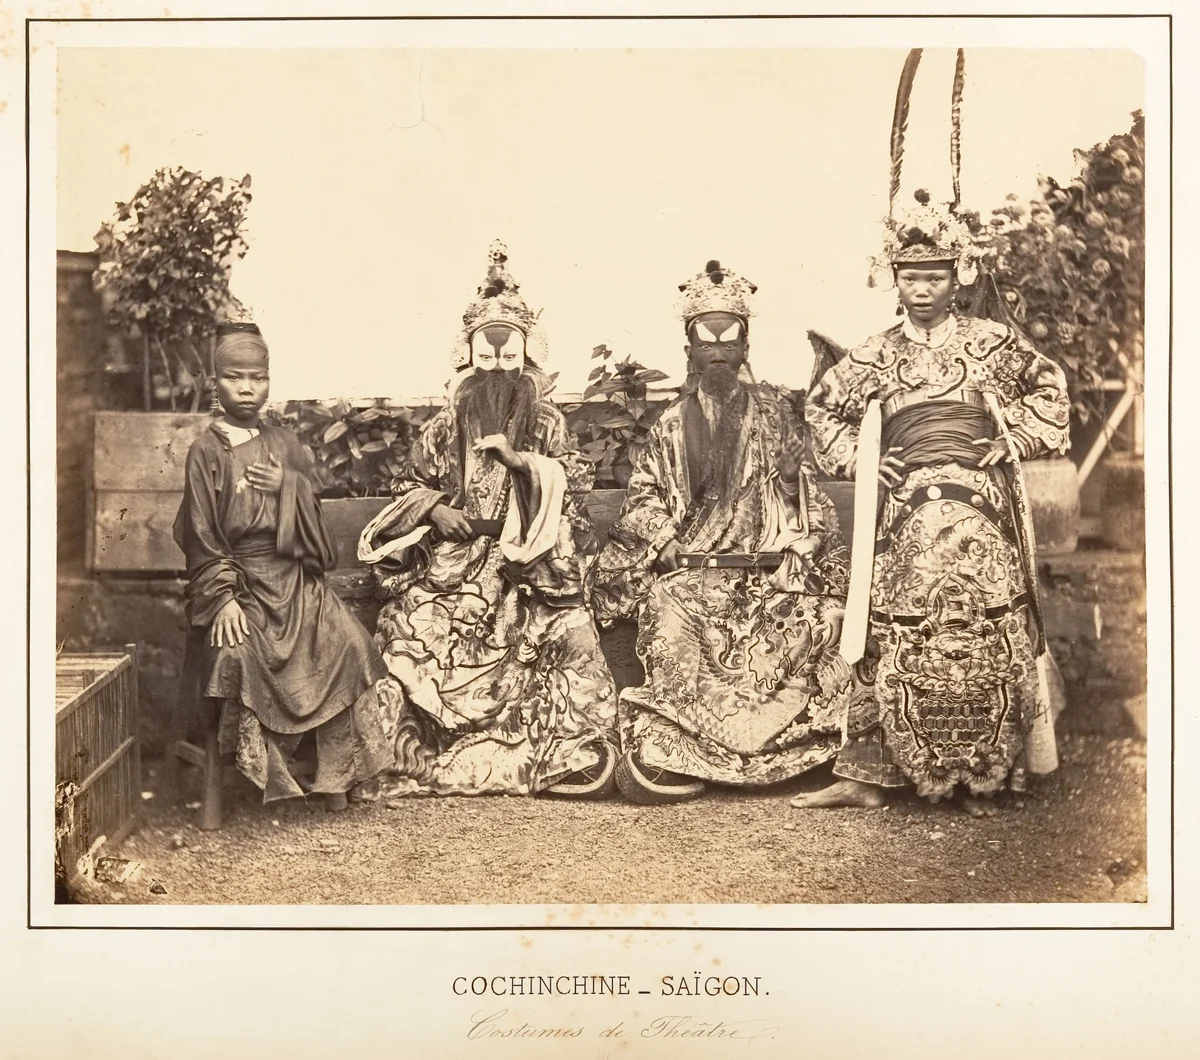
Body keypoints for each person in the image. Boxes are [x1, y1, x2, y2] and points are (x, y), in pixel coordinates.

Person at [795, 190, 1070, 816]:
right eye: (911, 277)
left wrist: (1016, 437)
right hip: (905, 515)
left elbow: (1048, 386)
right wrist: (863, 459)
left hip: (982, 510)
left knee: (983, 624)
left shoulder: (992, 342)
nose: (922, 289)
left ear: (958, 278)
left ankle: (982, 776)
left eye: (935, 276)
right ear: (895, 281)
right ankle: (871, 776)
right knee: (892, 625)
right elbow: (819, 408)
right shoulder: (876, 352)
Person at [590, 260, 873, 804]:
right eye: (706, 341)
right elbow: (644, 495)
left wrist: (789, 482)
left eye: (729, 340)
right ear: (689, 350)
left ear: (745, 347)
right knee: (666, 621)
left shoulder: (776, 416)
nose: (717, 352)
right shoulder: (669, 426)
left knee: (825, 622)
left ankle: (788, 748)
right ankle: (680, 749)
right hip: (694, 584)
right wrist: (661, 538)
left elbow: (813, 519)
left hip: (769, 584)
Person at [353, 241, 619, 799]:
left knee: (565, 631)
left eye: (509, 355)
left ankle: (554, 753)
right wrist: (436, 509)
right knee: (408, 623)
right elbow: (409, 486)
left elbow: (572, 483)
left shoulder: (547, 421)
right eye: (486, 356)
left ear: (527, 356)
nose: (497, 368)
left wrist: (526, 467)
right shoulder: (445, 424)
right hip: (450, 562)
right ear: (468, 356)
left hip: (526, 559)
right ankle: (418, 755)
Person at [173, 320, 392, 814]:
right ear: (216, 381)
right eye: (234, 377)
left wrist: (288, 488)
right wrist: (222, 597)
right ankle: (259, 779)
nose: (247, 388)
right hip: (241, 583)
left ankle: (334, 779)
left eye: (258, 377)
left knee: (348, 642)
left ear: (270, 380)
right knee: (238, 658)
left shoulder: (286, 444)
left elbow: (318, 540)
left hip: (295, 581)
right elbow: (202, 537)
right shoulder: (205, 452)